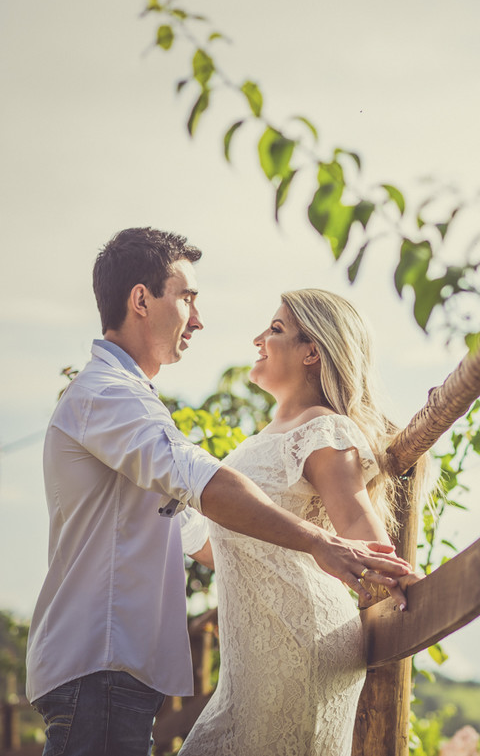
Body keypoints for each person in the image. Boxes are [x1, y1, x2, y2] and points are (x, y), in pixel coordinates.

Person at [25, 228, 418, 756]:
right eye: (187, 297)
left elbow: (199, 532)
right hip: (103, 662)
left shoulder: (129, 402)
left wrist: (386, 573)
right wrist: (317, 542)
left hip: (143, 665)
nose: (199, 319)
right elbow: (202, 483)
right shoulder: (108, 395)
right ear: (141, 300)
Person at [177, 288, 431, 756]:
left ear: (311, 352)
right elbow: (227, 547)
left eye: (276, 329)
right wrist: (163, 512)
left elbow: (354, 517)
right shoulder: (265, 439)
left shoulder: (320, 428)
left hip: (298, 642)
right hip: (255, 660)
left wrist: (405, 579)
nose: (259, 339)